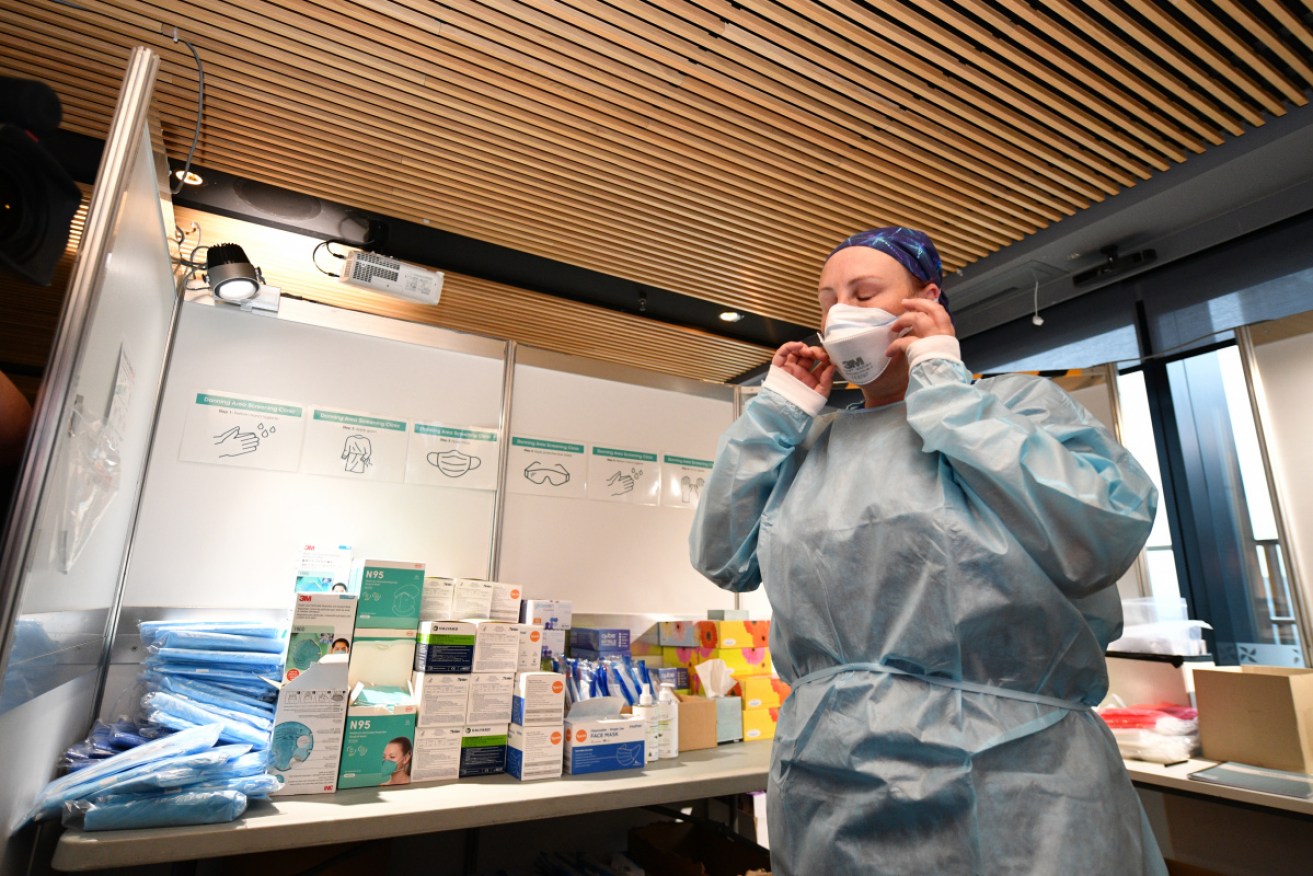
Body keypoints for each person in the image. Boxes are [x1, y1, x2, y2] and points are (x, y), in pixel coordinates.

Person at [690, 227, 1165, 875]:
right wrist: (777, 415)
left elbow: (1099, 531)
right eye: (827, 300)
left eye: (863, 293)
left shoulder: (1014, 408)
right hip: (833, 781)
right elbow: (722, 556)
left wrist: (943, 387)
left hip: (1015, 779)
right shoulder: (808, 447)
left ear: (925, 300)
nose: (840, 315)